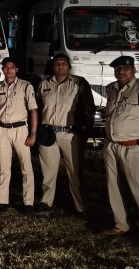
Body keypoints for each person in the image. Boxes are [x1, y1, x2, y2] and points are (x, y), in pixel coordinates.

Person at [100, 56, 139, 250]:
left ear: (134, 70)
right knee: (114, 187)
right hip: (112, 146)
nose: (121, 71)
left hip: (135, 147)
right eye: (118, 68)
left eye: (126, 68)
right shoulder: (111, 89)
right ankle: (121, 224)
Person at [35, 54, 94, 218]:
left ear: (69, 66)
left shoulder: (79, 83)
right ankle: (46, 203)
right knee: (48, 172)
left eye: (63, 63)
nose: (60, 66)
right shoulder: (43, 84)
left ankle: (81, 207)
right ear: (52, 66)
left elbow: (89, 109)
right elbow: (37, 108)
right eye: (57, 64)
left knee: (74, 172)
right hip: (48, 133)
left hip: (70, 134)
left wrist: (84, 132)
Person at [0, 57, 38, 213]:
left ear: (17, 70)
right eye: (5, 67)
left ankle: (28, 203)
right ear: (2, 70)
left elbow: (33, 110)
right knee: (4, 168)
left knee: (26, 167)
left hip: (20, 130)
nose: (8, 70)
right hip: (2, 131)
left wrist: (33, 133)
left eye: (11, 67)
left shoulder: (26, 86)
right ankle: (2, 202)